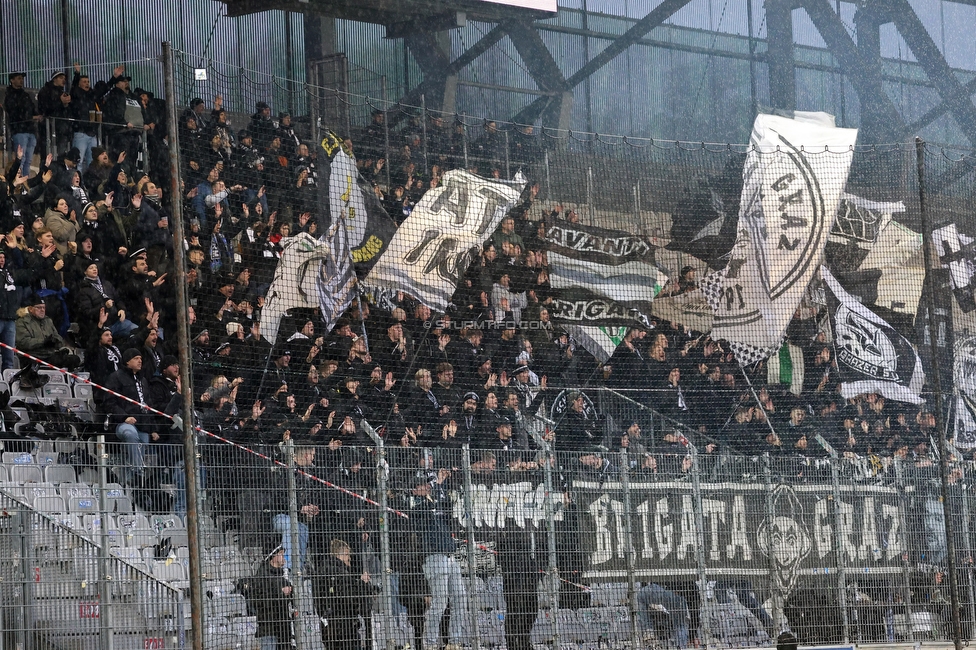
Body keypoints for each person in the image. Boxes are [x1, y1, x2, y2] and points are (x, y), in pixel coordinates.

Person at [408, 470, 470, 650]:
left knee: (460, 598)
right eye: (423, 485)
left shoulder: (435, 501)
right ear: (414, 490)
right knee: (440, 602)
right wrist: (437, 486)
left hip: (449, 556)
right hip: (434, 557)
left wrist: (440, 487)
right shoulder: (416, 507)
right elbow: (429, 510)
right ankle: (430, 642)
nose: (427, 486)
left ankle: (454, 641)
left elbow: (447, 508)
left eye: (427, 484)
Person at [104, 348, 157, 486]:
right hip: (121, 423)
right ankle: (138, 471)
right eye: (136, 358)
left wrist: (153, 428)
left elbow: (149, 405)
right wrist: (124, 417)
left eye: (141, 358)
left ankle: (130, 480)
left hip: (142, 424)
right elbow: (109, 402)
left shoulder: (143, 380)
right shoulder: (115, 377)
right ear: (127, 361)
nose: (140, 361)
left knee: (144, 440)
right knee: (131, 434)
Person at [245, 546, 294, 650]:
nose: (284, 557)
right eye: (281, 554)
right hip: (269, 630)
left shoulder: (282, 576)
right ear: (273, 556)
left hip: (283, 631)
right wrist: (281, 593)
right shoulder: (262, 576)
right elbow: (258, 602)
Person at [15, 294, 80, 370]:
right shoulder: (22, 322)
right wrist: (43, 342)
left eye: (44, 308)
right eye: (39, 308)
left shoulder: (48, 321)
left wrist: (56, 342)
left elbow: (57, 337)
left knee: (74, 359)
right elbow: (23, 342)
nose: (42, 310)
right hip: (32, 355)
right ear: (30, 309)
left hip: (49, 354)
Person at [0, 251, 32, 370]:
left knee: (9, 357)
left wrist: (15, 250)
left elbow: (27, 273)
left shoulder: (11, 273)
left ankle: (8, 378)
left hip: (10, 318)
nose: (2, 260)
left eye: (3, 257)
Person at [5, 72, 40, 178]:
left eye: (22, 78)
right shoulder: (10, 95)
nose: (21, 80)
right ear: (12, 80)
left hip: (29, 130)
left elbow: (32, 109)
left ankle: (24, 182)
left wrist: (35, 116)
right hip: (19, 130)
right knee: (21, 159)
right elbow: (15, 113)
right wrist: (31, 117)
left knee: (28, 160)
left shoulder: (25, 95)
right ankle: (18, 182)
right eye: (19, 78)